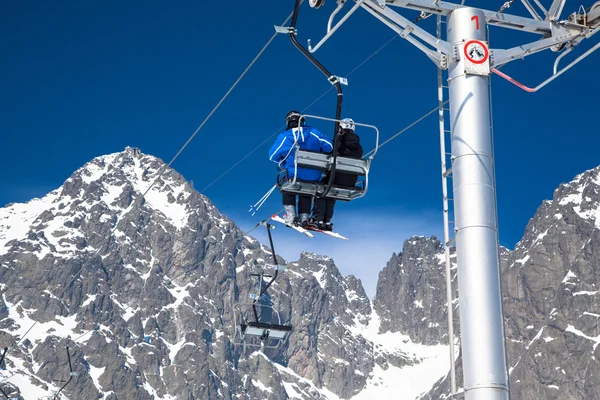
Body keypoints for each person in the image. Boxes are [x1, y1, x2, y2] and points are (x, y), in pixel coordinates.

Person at [269, 110, 333, 225]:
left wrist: (283, 162)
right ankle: (304, 217)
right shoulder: (314, 133)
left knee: (287, 186)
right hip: (314, 177)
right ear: (302, 121)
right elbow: (329, 146)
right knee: (307, 190)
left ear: (288, 122)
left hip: (294, 175)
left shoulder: (284, 137)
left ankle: (291, 215)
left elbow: (273, 155)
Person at [311, 118, 363, 231]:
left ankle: (318, 218)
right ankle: (327, 220)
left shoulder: (337, 143)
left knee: (321, 188)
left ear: (340, 128)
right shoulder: (358, 148)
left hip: (336, 177)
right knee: (331, 193)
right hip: (351, 180)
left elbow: (327, 157)